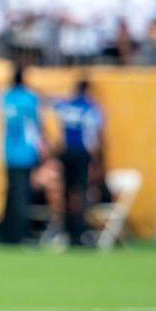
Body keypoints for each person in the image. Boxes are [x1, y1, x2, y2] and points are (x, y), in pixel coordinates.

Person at [51, 78, 104, 247]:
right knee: (80, 192)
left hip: (66, 152)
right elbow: (94, 135)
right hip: (82, 153)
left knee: (66, 192)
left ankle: (67, 228)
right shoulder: (90, 108)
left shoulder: (66, 105)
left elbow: (51, 104)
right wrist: (97, 160)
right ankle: (78, 231)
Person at [0, 61, 43, 244]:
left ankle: (5, 233)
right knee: (22, 195)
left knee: (8, 194)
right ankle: (19, 235)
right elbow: (36, 127)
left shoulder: (3, 97)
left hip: (6, 153)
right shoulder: (30, 99)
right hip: (25, 154)